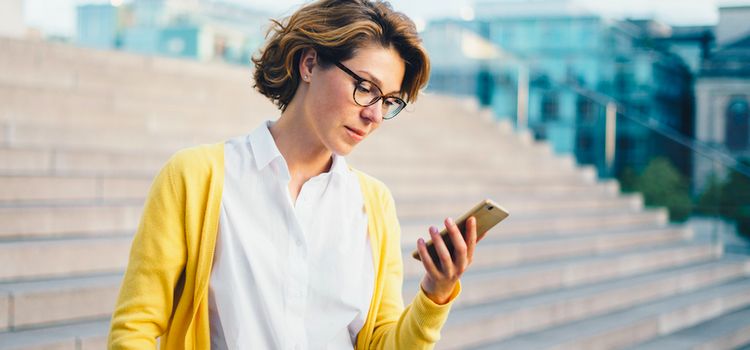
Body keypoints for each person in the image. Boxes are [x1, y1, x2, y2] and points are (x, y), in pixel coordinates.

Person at [108, 0, 479, 349]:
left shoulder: (374, 204)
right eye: (365, 88)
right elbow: (135, 328)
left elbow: (381, 341)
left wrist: (434, 293)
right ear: (309, 64)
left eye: (388, 101)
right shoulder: (195, 178)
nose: (375, 115)